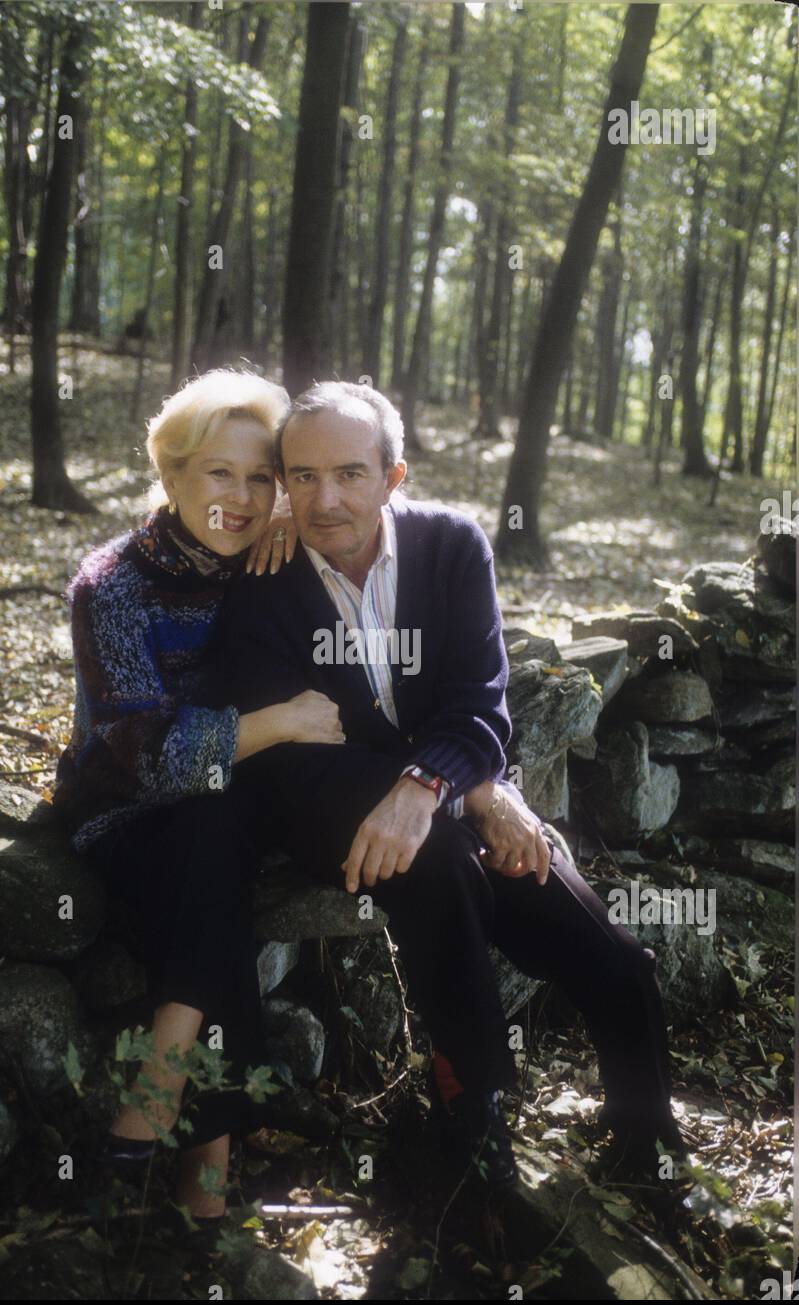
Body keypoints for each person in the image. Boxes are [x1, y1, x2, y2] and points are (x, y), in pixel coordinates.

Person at [211, 380, 688, 1188]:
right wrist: (458, 789)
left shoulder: (452, 549)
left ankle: (649, 1141)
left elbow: (479, 699)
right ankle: (474, 1121)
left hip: (446, 793)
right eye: (301, 476)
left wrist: (447, 785)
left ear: (395, 478)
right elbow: (299, 754)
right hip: (319, 802)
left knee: (610, 956)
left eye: (350, 474)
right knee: (438, 868)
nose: (324, 499)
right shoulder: (260, 581)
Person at [52, 368, 343, 1222]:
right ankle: (202, 1176)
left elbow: (373, 502)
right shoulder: (110, 586)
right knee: (211, 854)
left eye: (262, 478)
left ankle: (163, 1079)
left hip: (238, 807)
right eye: (220, 473)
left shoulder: (275, 561)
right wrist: (281, 720)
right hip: (125, 812)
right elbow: (143, 756)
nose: (242, 498)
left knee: (218, 817)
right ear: (170, 473)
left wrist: (296, 515)